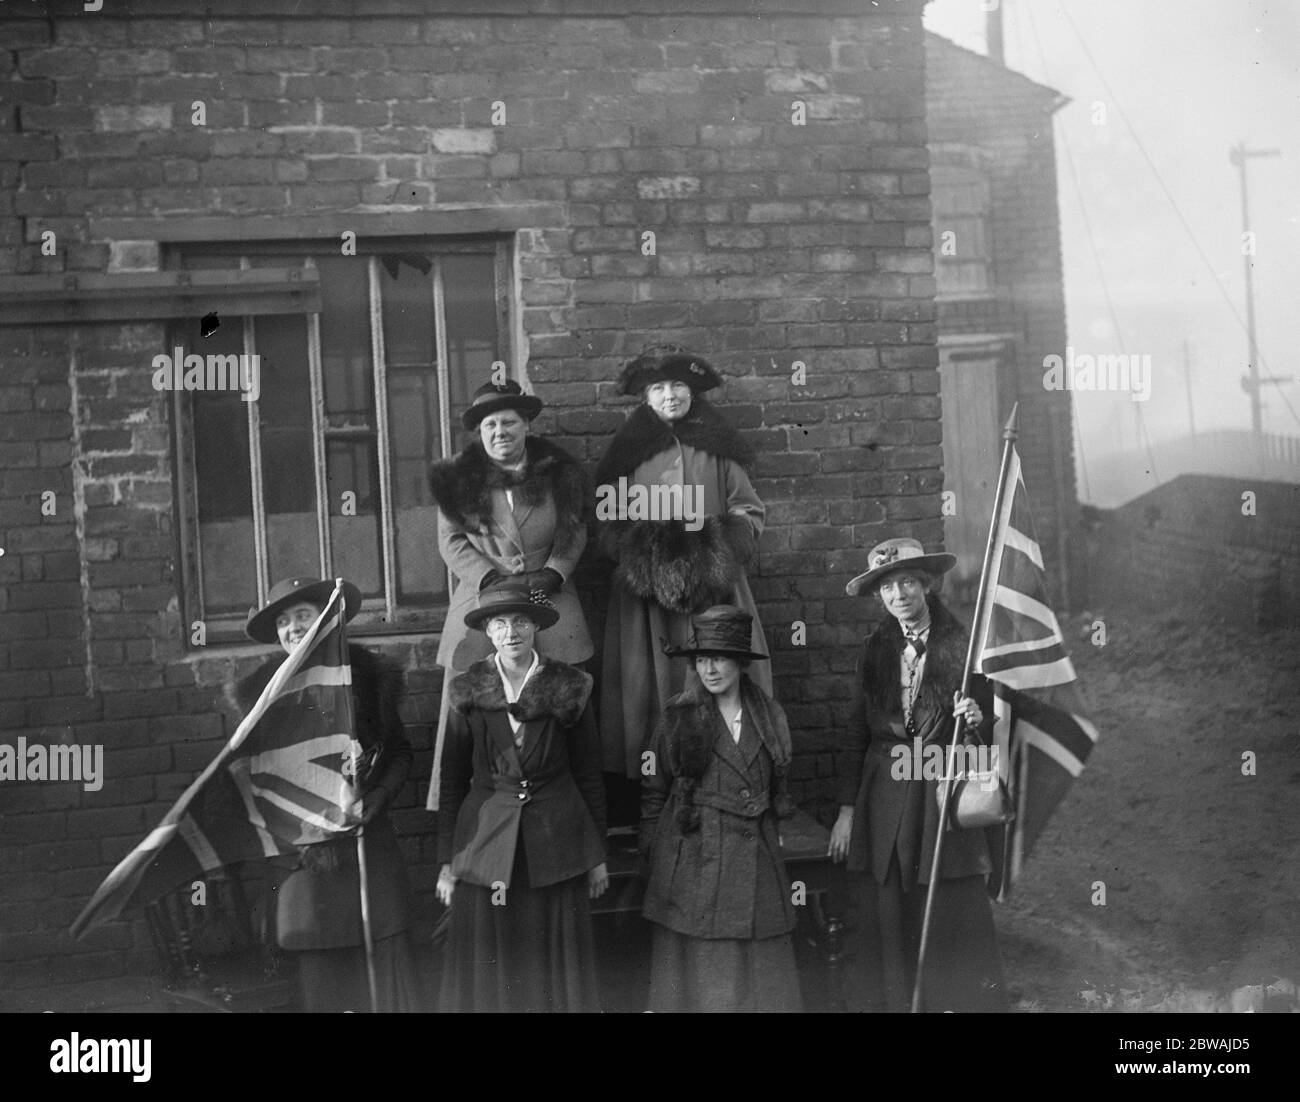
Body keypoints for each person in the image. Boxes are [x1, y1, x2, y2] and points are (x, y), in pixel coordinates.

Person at [830, 538, 1008, 1012]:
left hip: (939, 796)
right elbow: (855, 733)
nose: (899, 594)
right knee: (890, 917)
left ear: (926, 585)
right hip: (884, 798)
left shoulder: (964, 649)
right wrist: (847, 811)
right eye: (888, 587)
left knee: (949, 909)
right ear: (879, 597)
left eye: (908, 581)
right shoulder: (872, 653)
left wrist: (976, 720)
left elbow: (990, 735)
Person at [236, 576, 420, 1013]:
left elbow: (398, 754)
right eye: (283, 621)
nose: (293, 628)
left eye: (303, 616)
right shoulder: (261, 696)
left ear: (325, 619)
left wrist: (376, 798)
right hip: (303, 863)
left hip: (366, 853)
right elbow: (250, 781)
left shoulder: (369, 677)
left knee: (382, 975)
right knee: (323, 982)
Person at [596, 345, 769, 793]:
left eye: (678, 386)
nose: (670, 395)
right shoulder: (628, 453)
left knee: (718, 674)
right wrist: (643, 561)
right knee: (653, 685)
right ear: (645, 398)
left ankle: (726, 778)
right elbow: (608, 518)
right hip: (647, 595)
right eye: (658, 388)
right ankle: (659, 792)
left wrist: (718, 554)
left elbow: (748, 510)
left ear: (692, 391)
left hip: (714, 591)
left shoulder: (718, 448)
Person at [436, 581, 609, 1012]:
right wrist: (447, 860)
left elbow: (589, 773)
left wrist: (596, 854)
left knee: (552, 964)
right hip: (486, 845)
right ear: (488, 633)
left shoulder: (570, 686)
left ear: (534, 626)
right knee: (496, 964)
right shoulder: (469, 689)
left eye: (519, 621)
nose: (511, 632)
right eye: (499, 624)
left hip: (558, 843)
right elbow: (453, 779)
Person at [425, 378, 593, 813]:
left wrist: (555, 572)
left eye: (509, 423)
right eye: (490, 425)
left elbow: (575, 530)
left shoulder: (560, 473)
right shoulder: (458, 480)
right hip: (484, 597)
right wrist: (487, 579)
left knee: (563, 684)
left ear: (527, 427)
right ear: (480, 434)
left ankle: (564, 804)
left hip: (547, 594)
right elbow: (452, 542)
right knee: (469, 690)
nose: (500, 432)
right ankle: (462, 810)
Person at [639, 605, 802, 1013]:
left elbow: (778, 784)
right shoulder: (677, 717)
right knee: (705, 983)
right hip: (696, 862)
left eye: (720, 658)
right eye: (701, 659)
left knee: (763, 985)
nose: (709, 669)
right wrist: (658, 858)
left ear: (741, 662)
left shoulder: (770, 717)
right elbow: (654, 790)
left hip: (757, 862)